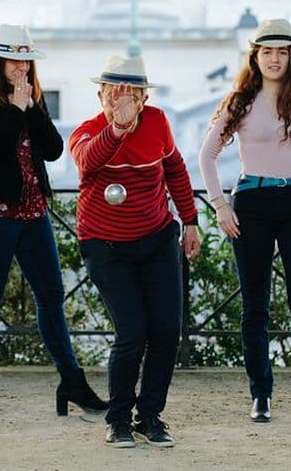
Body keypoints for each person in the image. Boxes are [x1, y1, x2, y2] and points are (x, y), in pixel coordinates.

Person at [0, 24, 108, 428]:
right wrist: (14, 111)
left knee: (52, 296)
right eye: (14, 60)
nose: (21, 67)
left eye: (26, 61)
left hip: (32, 212)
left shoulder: (32, 99)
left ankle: (72, 381)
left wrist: (32, 109)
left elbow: (54, 150)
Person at [198, 18, 291, 425]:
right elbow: (207, 155)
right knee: (255, 306)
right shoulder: (239, 102)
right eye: (267, 51)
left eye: (282, 52)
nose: (274, 59)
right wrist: (220, 205)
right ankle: (261, 395)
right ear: (255, 56)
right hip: (252, 203)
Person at [69, 56, 201, 448]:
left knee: (166, 331)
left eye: (132, 94)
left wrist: (190, 220)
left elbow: (175, 169)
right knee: (132, 333)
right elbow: (86, 164)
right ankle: (119, 420)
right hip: (106, 245)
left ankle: (150, 417)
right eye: (115, 93)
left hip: (157, 238)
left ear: (144, 98)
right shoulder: (87, 132)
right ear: (101, 96)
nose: (123, 101)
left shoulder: (158, 122)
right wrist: (118, 128)